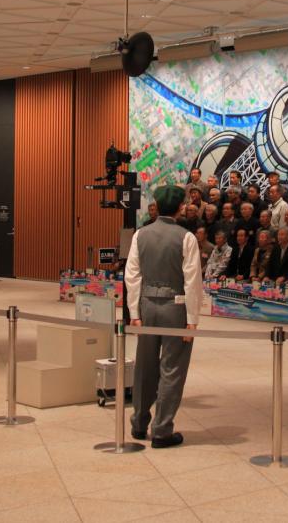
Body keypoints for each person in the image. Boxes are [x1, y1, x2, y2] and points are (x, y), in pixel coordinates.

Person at [126, 185, 202, 449]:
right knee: (172, 368)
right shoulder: (187, 237)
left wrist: (134, 311)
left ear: (156, 205)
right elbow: (193, 281)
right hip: (175, 306)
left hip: (147, 305)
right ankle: (162, 429)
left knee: (144, 366)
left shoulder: (140, 235)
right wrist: (192, 318)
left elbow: (132, 275)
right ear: (181, 207)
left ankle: (138, 423)